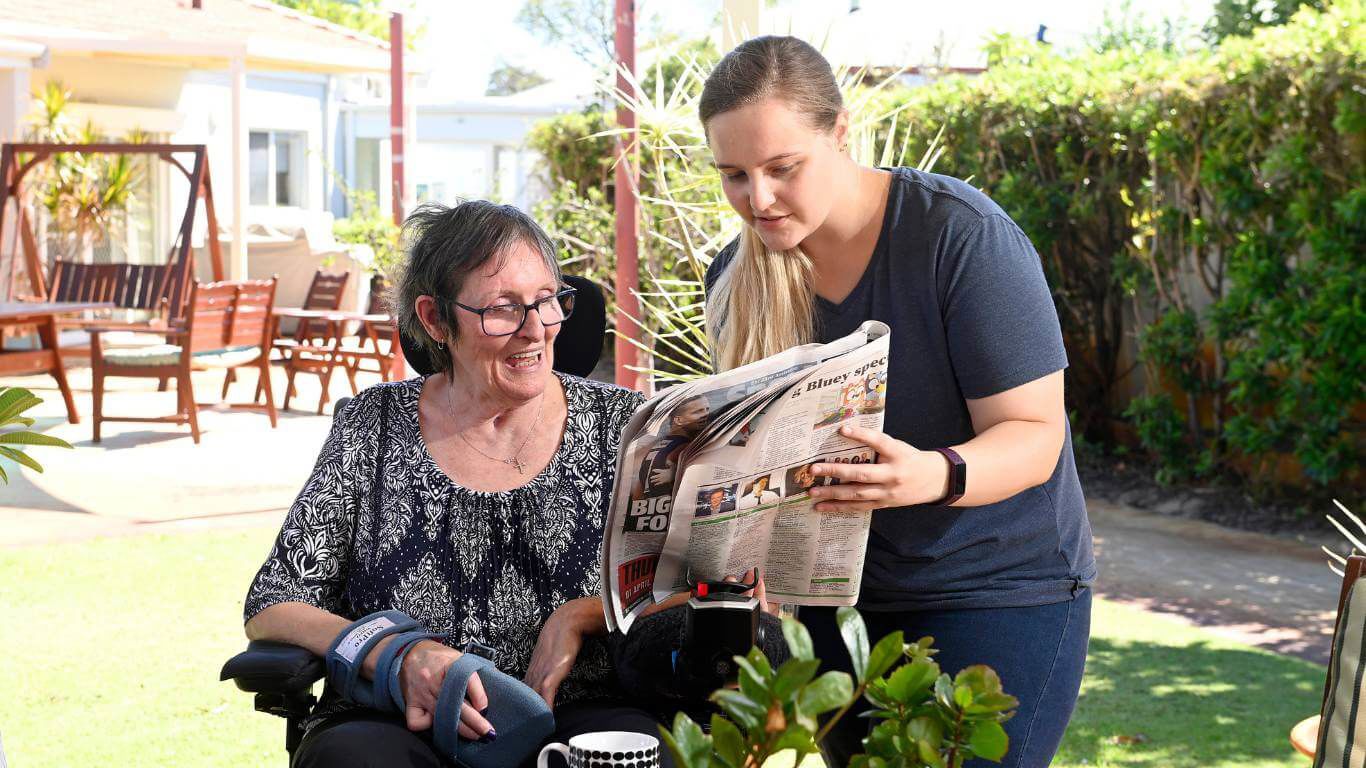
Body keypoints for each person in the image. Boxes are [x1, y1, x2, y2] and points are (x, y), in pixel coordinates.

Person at [699, 36, 1095, 768]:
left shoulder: (961, 237)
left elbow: (1034, 435)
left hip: (998, 592)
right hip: (835, 607)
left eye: (783, 168)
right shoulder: (734, 276)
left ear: (840, 132)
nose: (758, 199)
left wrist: (928, 475)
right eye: (733, 176)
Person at [242, 201, 662, 768]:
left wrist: (581, 616)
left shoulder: (627, 427)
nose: (535, 329)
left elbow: (687, 580)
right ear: (436, 320)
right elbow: (274, 604)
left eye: (545, 300)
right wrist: (399, 653)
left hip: (582, 708)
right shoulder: (375, 426)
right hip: (399, 719)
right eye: (502, 309)